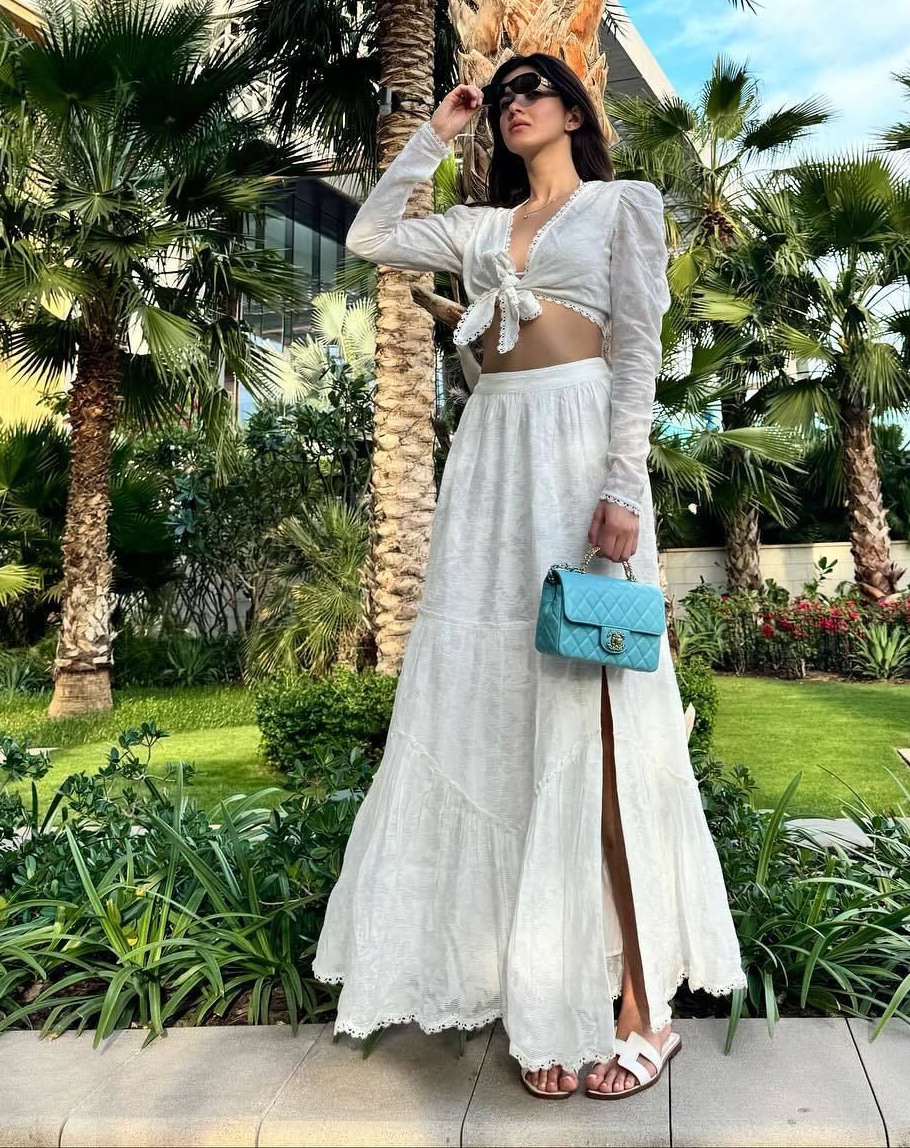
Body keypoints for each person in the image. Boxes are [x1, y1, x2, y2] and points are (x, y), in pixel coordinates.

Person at [313, 54, 744, 1100]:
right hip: (491, 465)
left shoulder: (621, 207)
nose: (514, 104)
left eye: (532, 90)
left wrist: (624, 484)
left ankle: (644, 1011)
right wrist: (436, 131)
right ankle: (540, 998)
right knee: (502, 721)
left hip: (580, 454)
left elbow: (636, 351)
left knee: (606, 732)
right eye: (502, 95)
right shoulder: (472, 227)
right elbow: (370, 235)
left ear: (574, 111)